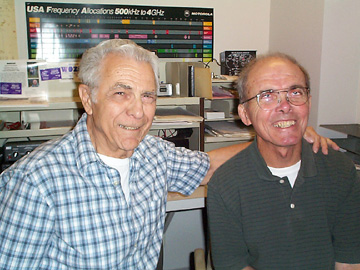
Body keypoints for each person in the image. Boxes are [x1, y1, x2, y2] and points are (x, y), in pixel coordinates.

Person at [0, 40, 336, 269]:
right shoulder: (34, 182)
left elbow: (210, 167)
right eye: (121, 93)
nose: (138, 111)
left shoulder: (152, 154)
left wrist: (280, 136)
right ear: (88, 99)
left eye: (148, 96)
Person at [207, 52, 360, 270]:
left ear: (308, 102)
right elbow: (234, 265)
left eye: (295, 92)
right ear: (245, 114)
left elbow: (349, 261)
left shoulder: (341, 170)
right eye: (267, 96)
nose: (285, 106)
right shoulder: (225, 184)